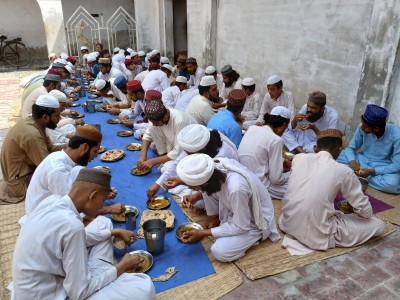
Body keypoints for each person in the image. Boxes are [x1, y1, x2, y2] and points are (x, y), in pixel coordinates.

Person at [13, 168, 155, 299]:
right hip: (51, 294)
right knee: (144, 287)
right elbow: (78, 293)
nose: (102, 206)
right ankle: (104, 273)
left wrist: (115, 231)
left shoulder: (52, 200)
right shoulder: (72, 226)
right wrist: (122, 266)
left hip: (54, 275)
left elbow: (81, 238)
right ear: (92, 196)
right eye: (103, 201)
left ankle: (102, 273)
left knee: (103, 223)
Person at [279, 129, 385, 250]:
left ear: (315, 148)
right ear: (339, 150)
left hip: (287, 223)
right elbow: (366, 212)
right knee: (378, 225)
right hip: (317, 235)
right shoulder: (343, 170)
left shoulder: (299, 158)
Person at [176, 154, 280, 262]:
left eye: (192, 187)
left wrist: (203, 233)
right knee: (199, 202)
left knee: (220, 251)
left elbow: (242, 226)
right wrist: (196, 196)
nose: (191, 189)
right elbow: (213, 189)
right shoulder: (213, 167)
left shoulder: (236, 188)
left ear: (205, 182)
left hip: (254, 221)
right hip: (235, 208)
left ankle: (253, 237)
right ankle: (220, 220)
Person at [25, 125, 122, 215]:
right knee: (102, 225)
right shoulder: (57, 169)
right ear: (84, 147)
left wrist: (101, 195)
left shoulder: (63, 158)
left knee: (79, 171)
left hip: (52, 208)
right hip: (42, 216)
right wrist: (109, 209)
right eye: (95, 151)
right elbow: (73, 207)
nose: (96, 156)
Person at [146, 124, 238, 202]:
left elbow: (214, 183)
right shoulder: (200, 140)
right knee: (167, 168)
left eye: (189, 153)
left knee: (199, 203)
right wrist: (158, 184)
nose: (186, 154)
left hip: (220, 187)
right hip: (205, 182)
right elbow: (177, 162)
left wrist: (183, 182)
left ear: (203, 150)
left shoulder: (222, 156)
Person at [1, 95, 65, 200]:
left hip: (26, 169)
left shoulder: (36, 123)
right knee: (62, 180)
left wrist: (72, 146)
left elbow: (50, 148)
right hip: (19, 183)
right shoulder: (32, 134)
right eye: (57, 115)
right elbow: (46, 167)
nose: (60, 118)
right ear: (45, 117)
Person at [337, 104, 400, 194]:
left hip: (381, 166)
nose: (362, 127)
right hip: (361, 160)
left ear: (376, 129)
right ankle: (358, 174)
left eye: (365, 126)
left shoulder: (397, 136)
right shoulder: (361, 127)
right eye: (362, 123)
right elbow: (351, 148)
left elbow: (397, 165)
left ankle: (354, 174)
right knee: (336, 155)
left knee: (393, 184)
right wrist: (353, 162)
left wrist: (372, 171)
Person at [239, 106, 291, 199]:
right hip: (261, 185)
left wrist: (282, 161)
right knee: (300, 186)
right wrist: (291, 173)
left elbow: (260, 155)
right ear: (283, 125)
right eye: (286, 128)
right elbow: (276, 179)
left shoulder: (252, 128)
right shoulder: (276, 140)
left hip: (244, 179)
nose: (284, 131)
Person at [137, 99, 196, 172]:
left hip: (188, 151)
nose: (154, 125)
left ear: (165, 118)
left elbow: (178, 152)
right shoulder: (159, 117)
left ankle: (163, 159)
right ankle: (163, 156)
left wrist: (153, 161)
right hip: (172, 145)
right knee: (152, 143)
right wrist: (142, 157)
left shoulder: (180, 121)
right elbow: (148, 134)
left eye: (156, 123)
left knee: (165, 169)